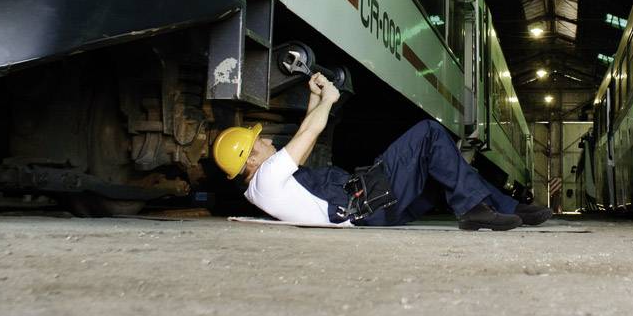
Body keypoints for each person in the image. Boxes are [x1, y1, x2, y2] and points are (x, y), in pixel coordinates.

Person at [212, 73, 551, 230]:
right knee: (428, 133)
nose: (267, 138)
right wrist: (331, 99)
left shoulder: (264, 185)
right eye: (259, 140)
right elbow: (312, 131)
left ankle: (506, 206)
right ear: (251, 158)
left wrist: (314, 98)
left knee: (443, 171)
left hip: (373, 204)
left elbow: (305, 137)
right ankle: (476, 210)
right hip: (369, 202)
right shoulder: (268, 177)